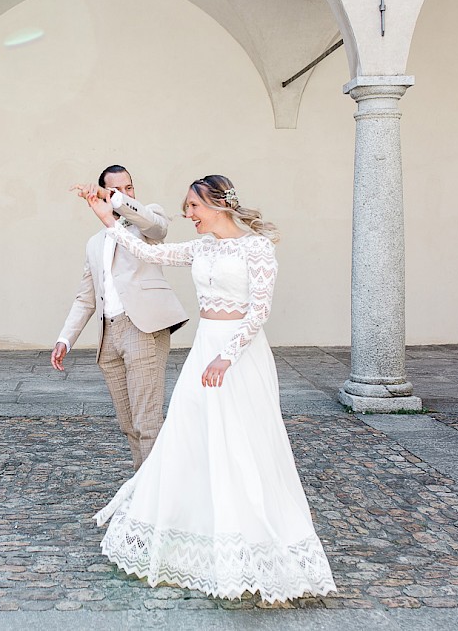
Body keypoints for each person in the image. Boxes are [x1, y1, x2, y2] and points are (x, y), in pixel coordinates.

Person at [89, 175, 336, 602]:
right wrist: (108, 221)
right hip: (205, 349)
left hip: (239, 356)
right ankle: (195, 530)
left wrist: (228, 355)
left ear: (218, 204)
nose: (188, 215)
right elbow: (151, 251)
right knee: (192, 436)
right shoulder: (200, 247)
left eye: (193, 207)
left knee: (243, 441)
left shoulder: (256, 248)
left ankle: (253, 540)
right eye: (186, 208)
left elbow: (259, 310)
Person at [53, 165, 188, 470]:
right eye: (116, 189)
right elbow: (86, 296)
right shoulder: (94, 243)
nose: (124, 194)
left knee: (146, 421)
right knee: (128, 423)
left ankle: (155, 500)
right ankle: (144, 486)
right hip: (109, 336)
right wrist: (65, 338)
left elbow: (157, 227)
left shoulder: (146, 219)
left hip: (143, 328)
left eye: (129, 188)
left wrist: (113, 199)